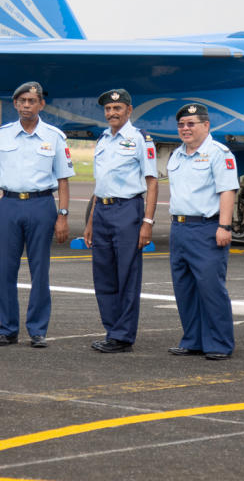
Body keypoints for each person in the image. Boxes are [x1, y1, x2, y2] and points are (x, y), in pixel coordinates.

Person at [0, 82, 74, 348]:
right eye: (22, 100)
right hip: (9, 205)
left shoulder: (54, 136)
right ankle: (8, 329)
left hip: (41, 205)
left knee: (40, 271)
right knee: (6, 271)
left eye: (32, 101)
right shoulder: (1, 136)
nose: (26, 105)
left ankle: (37, 330)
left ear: (41, 104)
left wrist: (63, 215)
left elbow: (64, 181)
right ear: (15, 104)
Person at [82, 89, 158, 353]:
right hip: (101, 210)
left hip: (128, 209)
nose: (112, 113)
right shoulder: (103, 140)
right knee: (103, 274)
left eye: (117, 108)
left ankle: (123, 336)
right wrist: (91, 221)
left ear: (129, 110)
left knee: (126, 274)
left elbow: (151, 181)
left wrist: (147, 221)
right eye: (108, 109)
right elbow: (99, 184)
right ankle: (112, 331)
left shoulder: (140, 140)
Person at [166, 103, 238, 360]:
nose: (185, 129)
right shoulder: (176, 155)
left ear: (206, 126)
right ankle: (192, 339)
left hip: (207, 227)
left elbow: (228, 190)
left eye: (191, 124)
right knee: (184, 287)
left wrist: (224, 226)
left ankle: (219, 343)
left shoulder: (219, 153)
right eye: (181, 125)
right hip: (180, 228)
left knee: (210, 287)